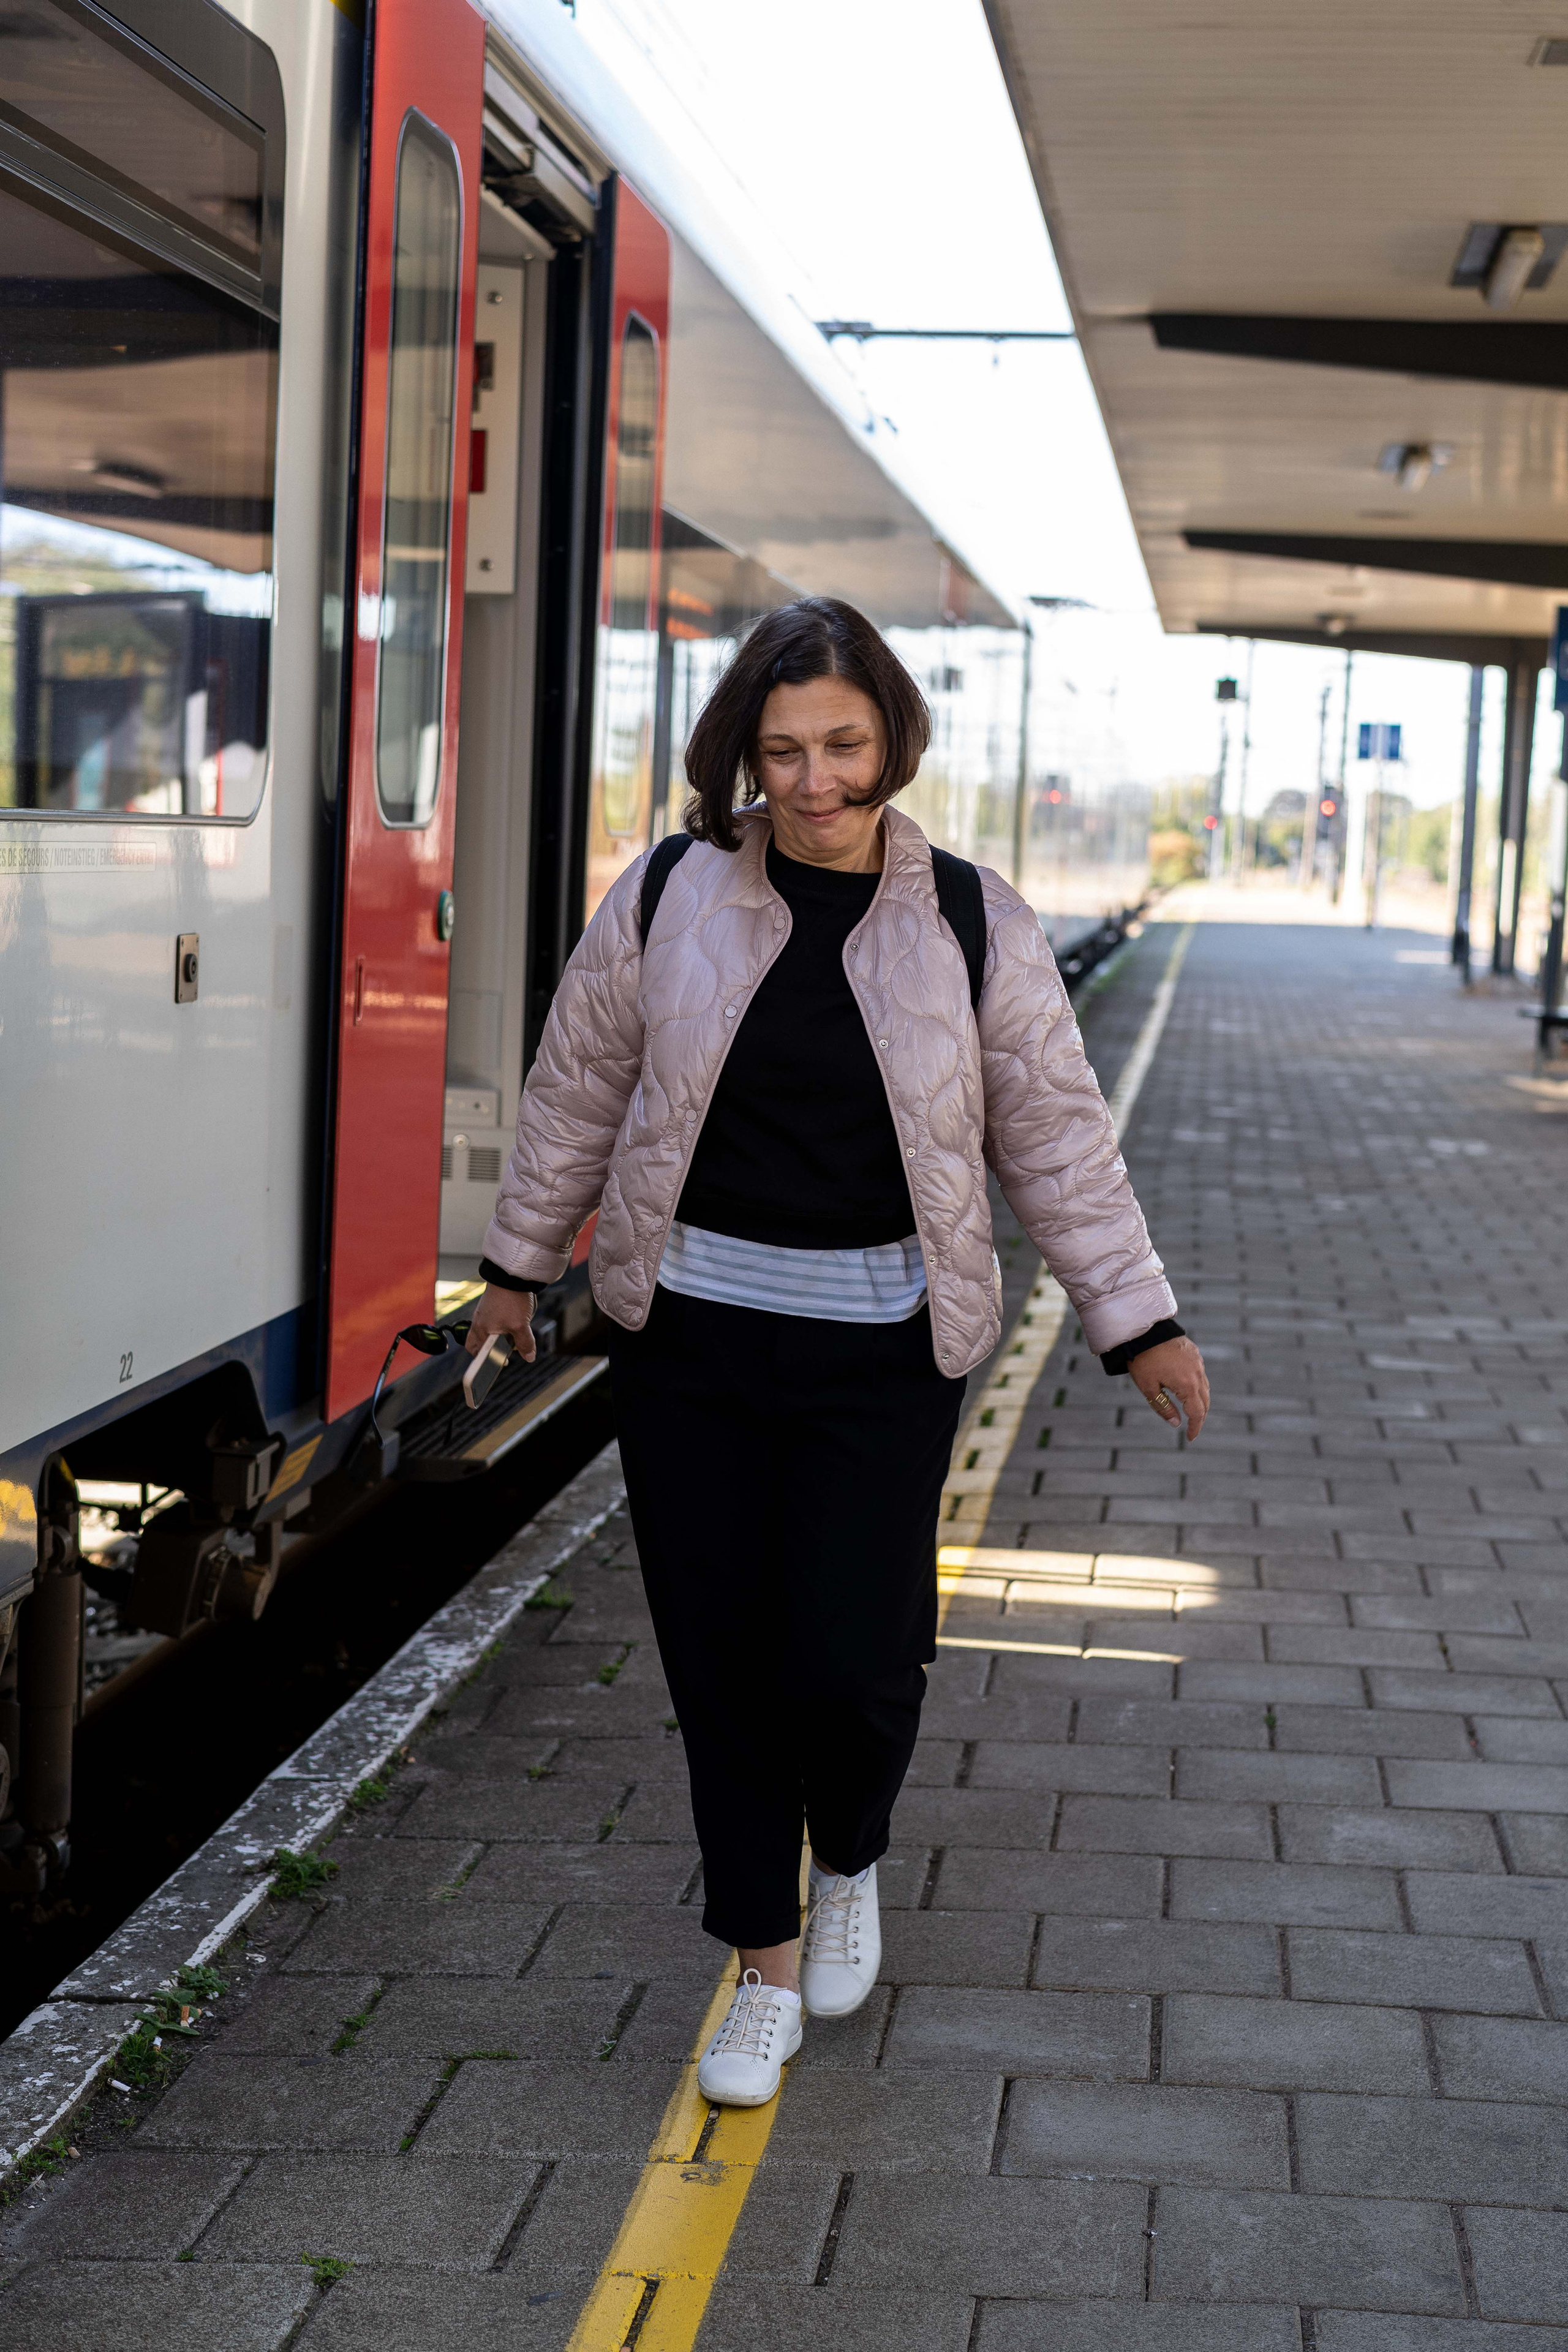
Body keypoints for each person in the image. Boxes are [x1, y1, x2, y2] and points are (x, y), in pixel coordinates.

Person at [467, 596, 1207, 2106]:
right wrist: (512, 1272)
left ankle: (850, 1855)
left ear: (893, 743)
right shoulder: (672, 889)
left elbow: (1056, 1138)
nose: (812, 781)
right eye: (783, 749)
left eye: (844, 747)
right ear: (742, 747)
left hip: (884, 1350)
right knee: (722, 1659)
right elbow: (576, 1086)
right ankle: (761, 1957)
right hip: (689, 1345)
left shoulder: (970, 918)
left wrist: (1136, 1320)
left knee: (856, 1663)